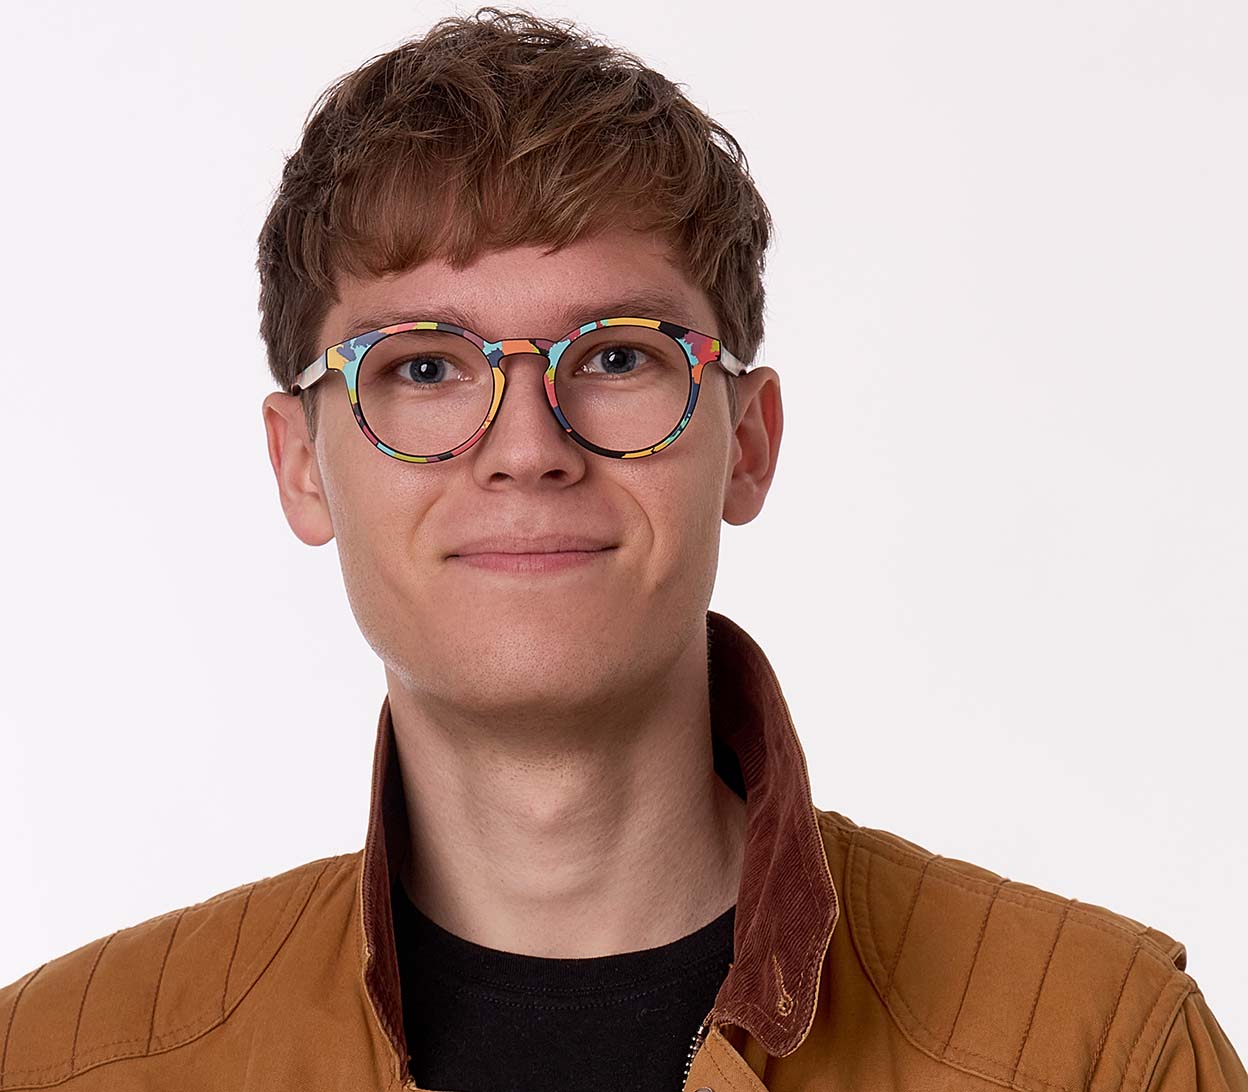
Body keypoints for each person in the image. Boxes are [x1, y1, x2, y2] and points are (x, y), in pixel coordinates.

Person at [1, 7, 1242, 1091]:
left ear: (747, 442)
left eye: (616, 356)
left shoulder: (1098, 1052)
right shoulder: (62, 1062)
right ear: (299, 464)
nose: (529, 445)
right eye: (424, 368)